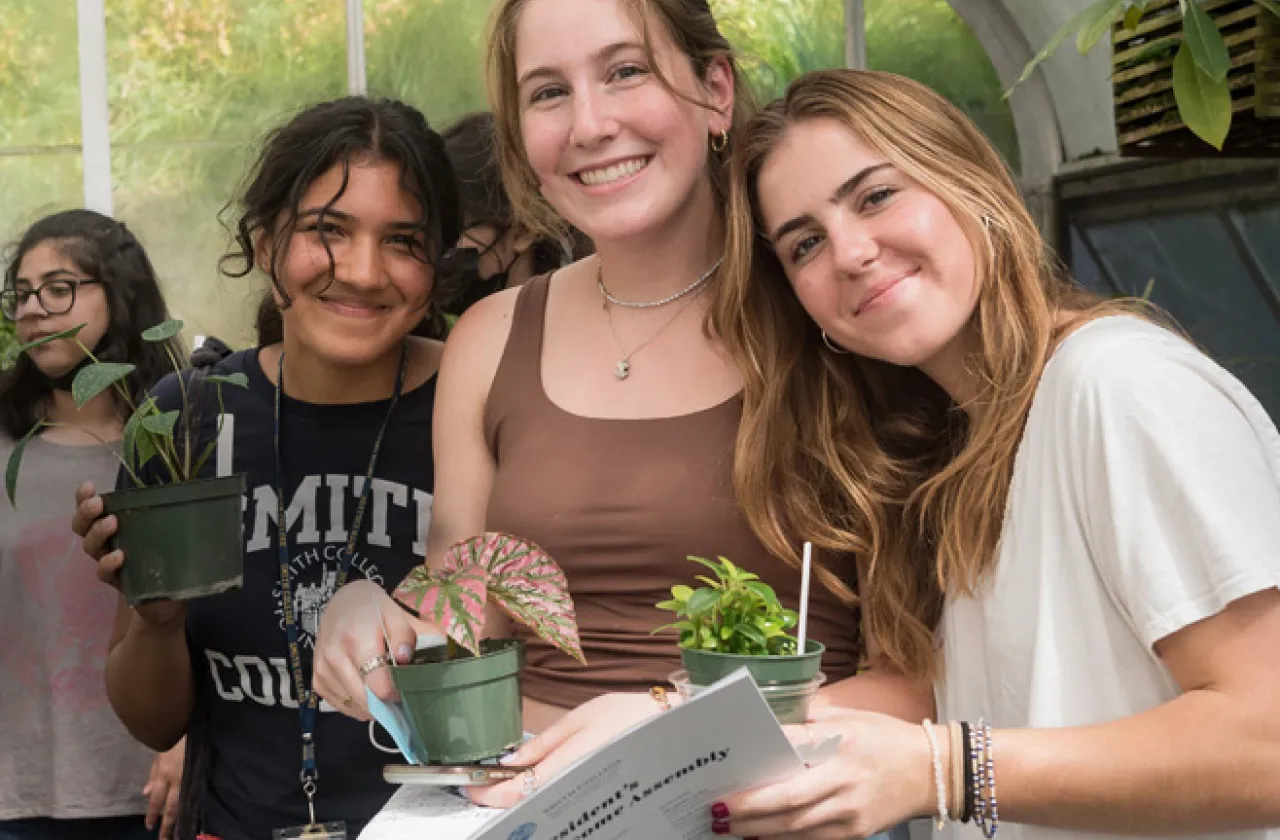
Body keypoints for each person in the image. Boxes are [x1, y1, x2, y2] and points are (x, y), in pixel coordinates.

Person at [314, 0, 932, 811]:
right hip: (527, 813)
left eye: (625, 71)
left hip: (767, 812)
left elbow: (921, 685)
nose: (590, 124)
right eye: (547, 93)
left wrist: (668, 728)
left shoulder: (833, 309)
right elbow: (465, 613)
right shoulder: (493, 339)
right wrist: (372, 617)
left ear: (716, 89)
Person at [704, 69, 1280, 840]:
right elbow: (973, 704)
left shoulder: (1116, 385)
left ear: (971, 183)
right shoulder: (960, 445)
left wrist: (943, 771)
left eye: (875, 196)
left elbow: (1268, 743)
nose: (849, 252)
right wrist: (681, 722)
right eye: (804, 243)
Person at [70, 97, 461, 840]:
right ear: (263, 240)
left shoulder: (475, 400)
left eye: (403, 241)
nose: (364, 271)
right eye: (328, 232)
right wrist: (156, 619)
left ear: (435, 266)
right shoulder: (186, 417)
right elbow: (154, 724)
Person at [0, 210, 184, 840]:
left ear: (121, 292)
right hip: (14, 796)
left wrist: (187, 744)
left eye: (59, 287)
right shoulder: (6, 445)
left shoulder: (180, 442)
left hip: (155, 792)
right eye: (20, 293)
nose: (32, 308)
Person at [435, 111, 584, 317]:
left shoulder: (580, 323)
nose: (437, 246)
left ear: (524, 231)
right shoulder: (472, 339)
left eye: (454, 227)